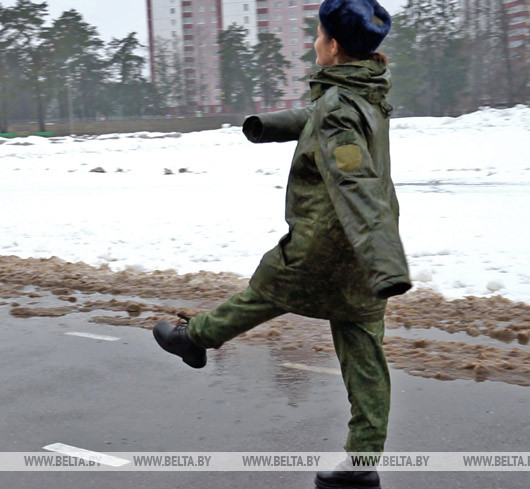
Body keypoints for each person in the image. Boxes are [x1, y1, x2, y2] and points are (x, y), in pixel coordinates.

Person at [153, 0, 408, 487]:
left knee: (263, 293)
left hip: (326, 245)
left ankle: (194, 339)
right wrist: (268, 126)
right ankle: (362, 463)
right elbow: (321, 117)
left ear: (334, 47)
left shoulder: (338, 108)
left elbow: (354, 181)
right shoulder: (366, 93)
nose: (313, 42)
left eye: (317, 35)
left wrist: (387, 264)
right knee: (364, 356)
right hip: (360, 255)